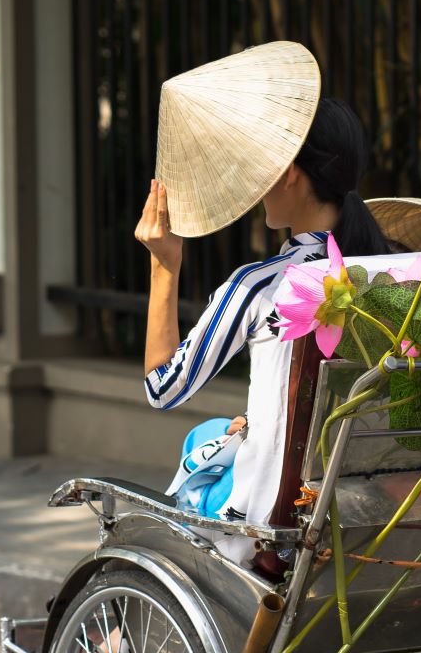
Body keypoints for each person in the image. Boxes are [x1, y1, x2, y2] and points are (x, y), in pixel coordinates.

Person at [131, 41, 389, 562]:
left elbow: (163, 386)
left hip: (275, 522)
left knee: (199, 443)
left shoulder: (263, 286)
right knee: (215, 431)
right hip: (377, 504)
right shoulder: (402, 269)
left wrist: (165, 265)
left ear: (289, 172)